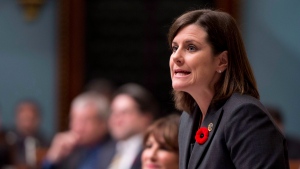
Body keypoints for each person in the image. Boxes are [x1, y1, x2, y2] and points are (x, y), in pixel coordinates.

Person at [168, 9, 289, 168]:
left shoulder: (245, 115)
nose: (176, 56)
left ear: (222, 61)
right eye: (175, 48)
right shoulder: (188, 117)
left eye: (191, 47)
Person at [42, 92, 115, 169]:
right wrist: (53, 158)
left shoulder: (117, 149)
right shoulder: (68, 149)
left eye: (85, 121)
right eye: (74, 120)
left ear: (103, 124)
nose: (78, 128)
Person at [108, 83, 159, 169]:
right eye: (114, 112)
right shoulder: (105, 151)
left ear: (146, 118)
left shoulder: (154, 152)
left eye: (124, 112)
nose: (116, 119)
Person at [8, 99, 48, 167]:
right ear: (16, 118)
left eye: (30, 118)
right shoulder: (8, 142)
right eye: (24, 119)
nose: (27, 124)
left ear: (38, 119)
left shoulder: (45, 143)